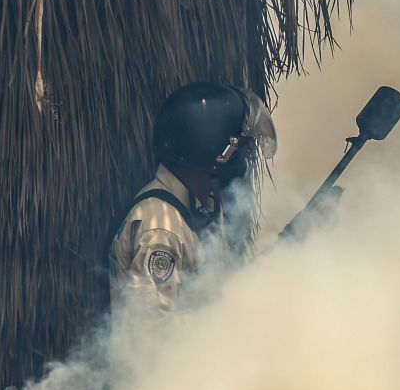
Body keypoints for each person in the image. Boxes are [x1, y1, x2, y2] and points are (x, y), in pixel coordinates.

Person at [110, 82, 277, 310]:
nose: (242, 156)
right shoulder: (161, 227)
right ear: (213, 150)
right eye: (237, 148)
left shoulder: (197, 207)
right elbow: (151, 335)